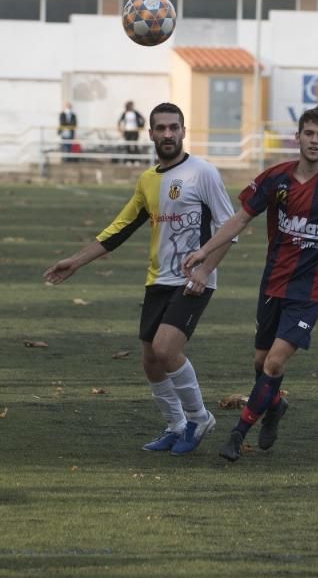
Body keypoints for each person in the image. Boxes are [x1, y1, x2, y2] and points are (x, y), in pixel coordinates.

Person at [43, 102, 237, 456]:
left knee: (166, 350)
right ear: (150, 134)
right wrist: (76, 261)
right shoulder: (148, 180)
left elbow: (229, 228)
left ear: (182, 131)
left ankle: (199, 417)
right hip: (157, 279)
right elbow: (119, 229)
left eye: (173, 127)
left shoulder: (203, 173)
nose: (167, 134)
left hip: (193, 279)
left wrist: (206, 268)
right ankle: (175, 424)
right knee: (150, 359)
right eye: (160, 128)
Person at [182, 106, 318, 463]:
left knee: (273, 364)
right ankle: (275, 405)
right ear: (297, 137)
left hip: (312, 293)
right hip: (273, 285)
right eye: (309, 133)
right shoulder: (275, 179)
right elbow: (239, 220)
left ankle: (237, 435)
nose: (314, 141)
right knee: (260, 363)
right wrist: (204, 252)